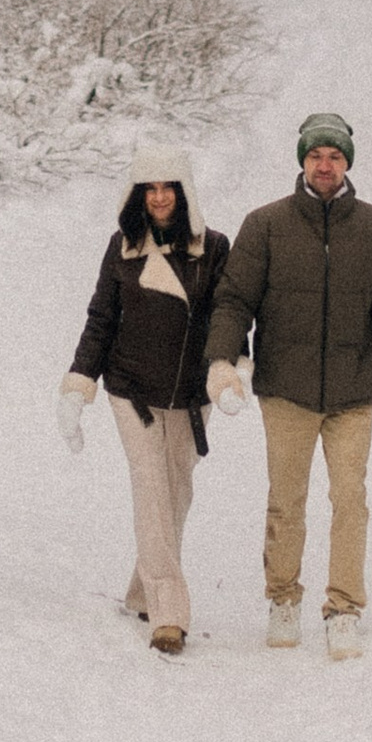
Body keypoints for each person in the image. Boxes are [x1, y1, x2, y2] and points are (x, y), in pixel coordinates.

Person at [204, 112, 372, 659]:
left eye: (336, 156)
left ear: (347, 163)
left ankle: (343, 607)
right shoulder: (267, 224)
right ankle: (282, 597)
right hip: (287, 390)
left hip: (352, 391)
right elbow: (234, 300)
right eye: (317, 156)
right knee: (287, 500)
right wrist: (224, 359)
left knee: (351, 500)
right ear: (302, 160)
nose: (326, 165)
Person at [58, 161, 228, 655]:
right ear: (136, 195)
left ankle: (142, 589)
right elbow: (101, 317)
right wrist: (79, 384)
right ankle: (169, 613)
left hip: (192, 394)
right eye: (148, 189)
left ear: (184, 192)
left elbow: (228, 314)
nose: (158, 198)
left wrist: (226, 367)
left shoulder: (213, 247)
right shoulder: (123, 247)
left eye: (167, 188)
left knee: (176, 494)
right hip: (131, 389)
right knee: (152, 487)